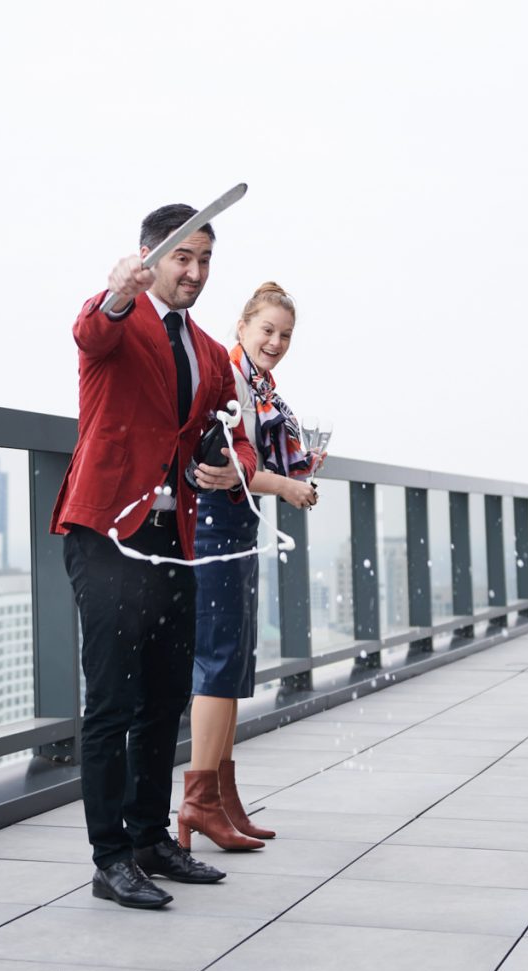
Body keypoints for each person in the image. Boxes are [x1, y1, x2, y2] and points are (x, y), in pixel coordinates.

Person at [51, 204, 257, 909]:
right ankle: (110, 859)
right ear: (151, 255)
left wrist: (237, 465)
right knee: (111, 700)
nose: (195, 272)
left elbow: (239, 430)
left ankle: (148, 840)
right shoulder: (118, 317)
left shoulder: (204, 350)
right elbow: (89, 328)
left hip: (177, 542)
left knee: (166, 694)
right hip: (108, 534)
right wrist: (118, 292)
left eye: (205, 261)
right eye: (183, 258)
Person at [178, 283, 318, 851]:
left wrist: (295, 469)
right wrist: (287, 484)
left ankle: (223, 798)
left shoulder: (260, 386)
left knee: (234, 662)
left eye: (285, 334)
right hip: (215, 528)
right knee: (216, 660)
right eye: (267, 330)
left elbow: (250, 460)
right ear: (242, 326)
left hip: (237, 527)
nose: (276, 342)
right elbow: (227, 465)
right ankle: (197, 802)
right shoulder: (229, 378)